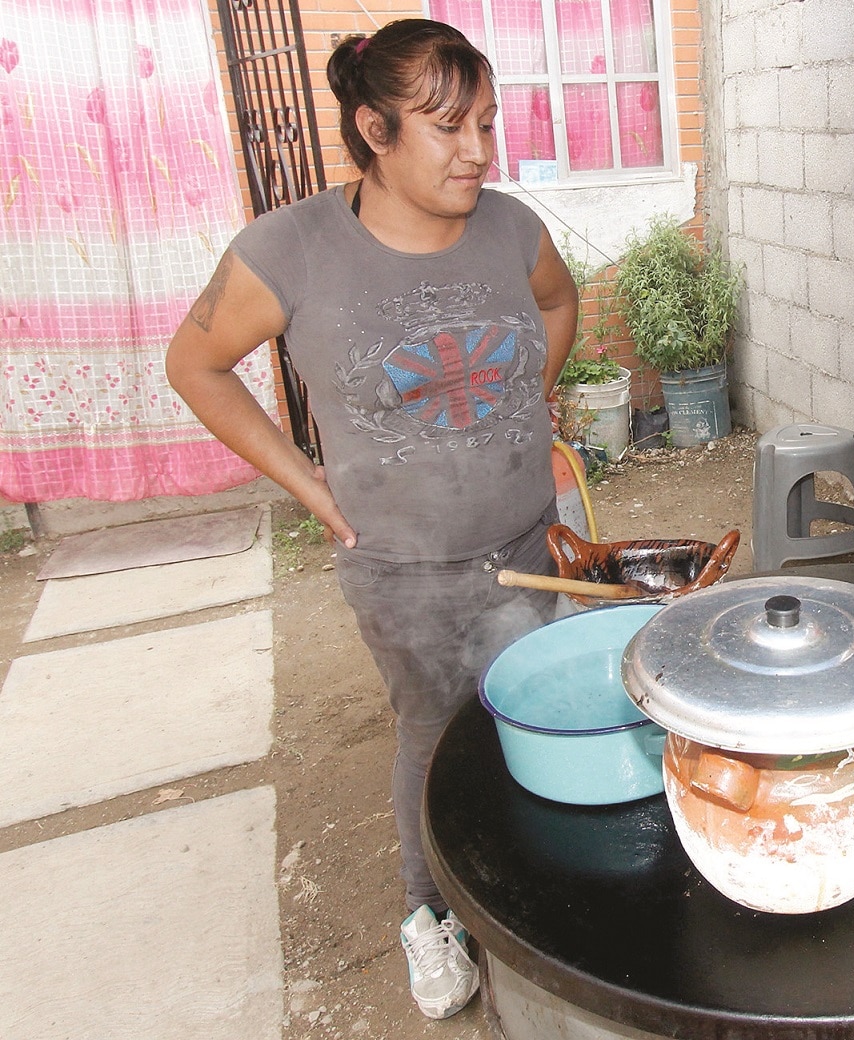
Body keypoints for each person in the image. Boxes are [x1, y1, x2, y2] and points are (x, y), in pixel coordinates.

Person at [166, 19, 579, 1020]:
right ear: (373, 127)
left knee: (535, 705)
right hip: (403, 565)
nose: (477, 149)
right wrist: (305, 479)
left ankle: (529, 888)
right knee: (435, 730)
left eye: (484, 121)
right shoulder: (289, 249)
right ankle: (427, 915)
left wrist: (535, 396)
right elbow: (194, 364)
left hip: (532, 532)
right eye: (446, 127)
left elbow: (558, 302)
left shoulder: (511, 227)